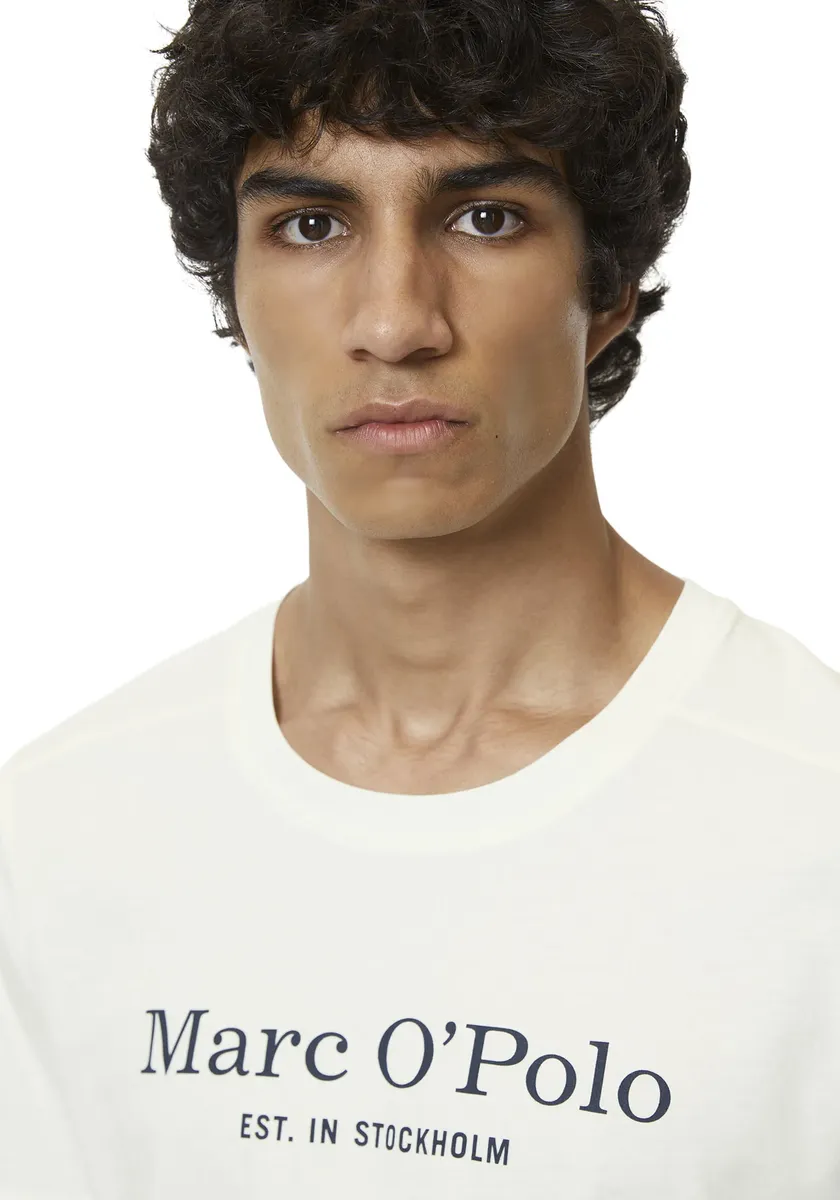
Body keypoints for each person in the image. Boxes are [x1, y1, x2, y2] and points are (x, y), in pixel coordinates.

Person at [1, 0, 839, 1196]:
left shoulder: (810, 826)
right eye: (310, 224)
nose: (396, 321)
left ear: (607, 287)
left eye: (485, 217)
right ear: (235, 293)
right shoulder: (61, 833)